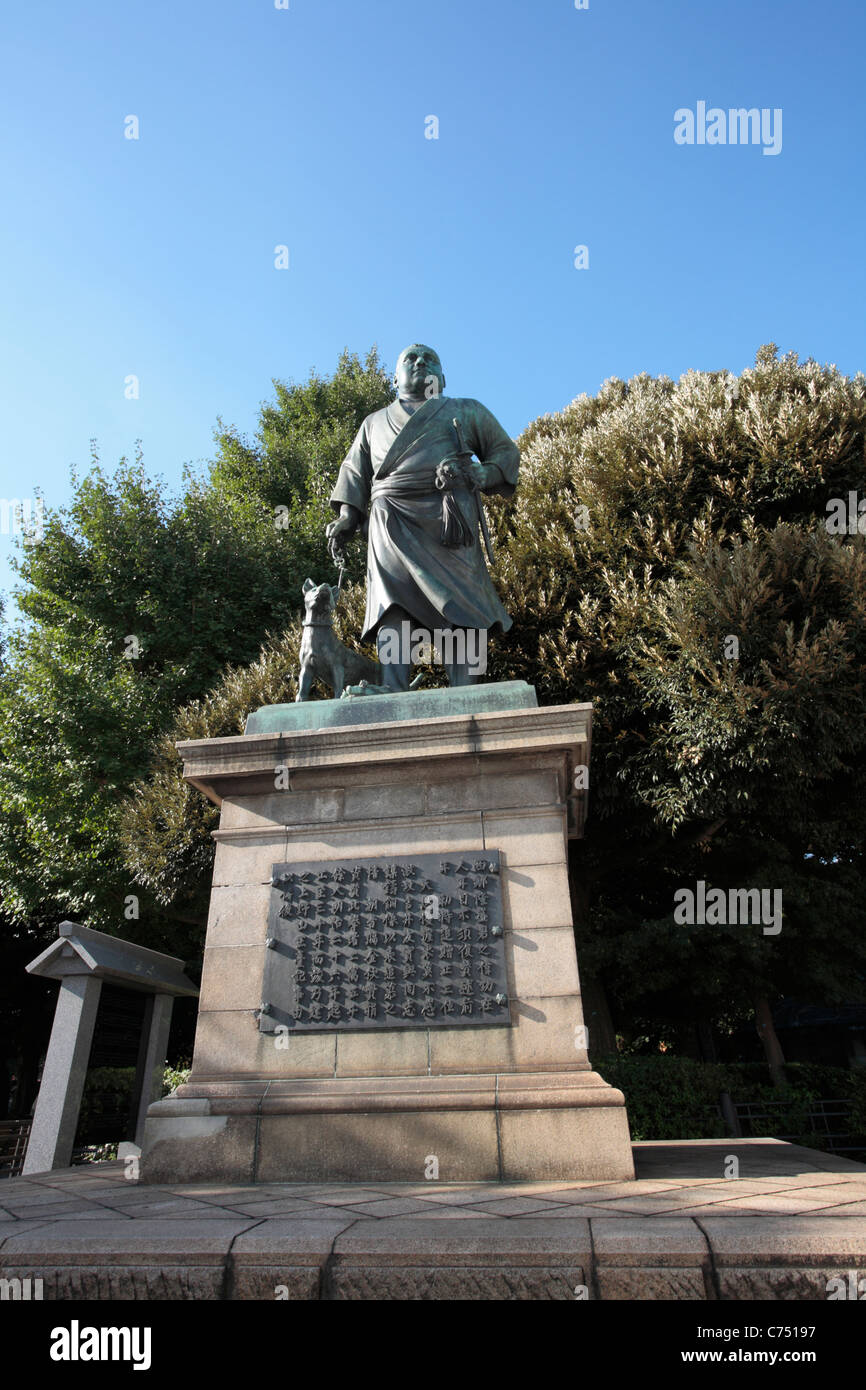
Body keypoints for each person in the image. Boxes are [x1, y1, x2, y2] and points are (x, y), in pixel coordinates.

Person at [326, 344, 519, 690]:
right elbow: (354, 471)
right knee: (392, 601)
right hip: (389, 518)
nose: (419, 362)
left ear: (442, 378)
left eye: (429, 359)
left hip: (451, 517)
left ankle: (466, 688)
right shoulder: (372, 423)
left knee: (462, 602)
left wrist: (483, 474)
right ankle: (393, 684)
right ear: (394, 378)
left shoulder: (465, 410)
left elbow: (505, 451)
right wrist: (346, 516)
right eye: (410, 359)